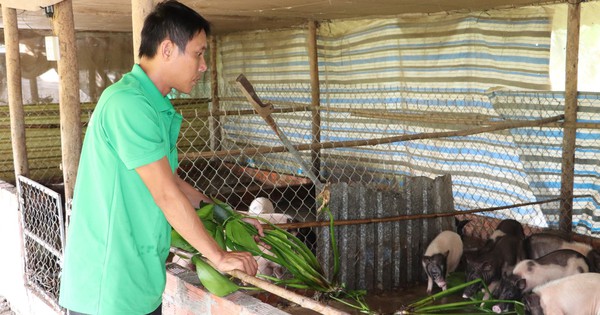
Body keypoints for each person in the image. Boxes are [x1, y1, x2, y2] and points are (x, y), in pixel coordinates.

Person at [58, 1, 262, 314]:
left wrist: (225, 216)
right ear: (167, 49)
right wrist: (217, 255)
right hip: (109, 286)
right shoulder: (129, 104)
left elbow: (170, 182)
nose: (203, 65)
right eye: (198, 53)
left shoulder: (153, 105)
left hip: (139, 282)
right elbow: (166, 195)